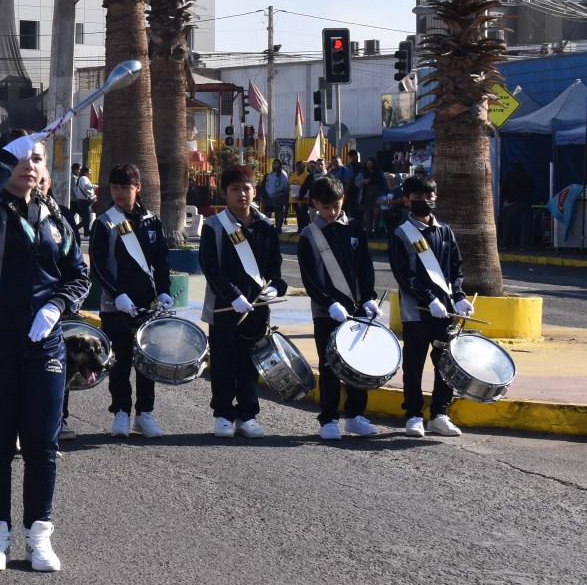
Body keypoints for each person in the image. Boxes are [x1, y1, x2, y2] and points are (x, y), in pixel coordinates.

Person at [0, 128, 89, 572]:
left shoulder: (55, 216)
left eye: (36, 158)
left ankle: (38, 537)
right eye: (19, 158)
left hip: (43, 346)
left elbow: (78, 275)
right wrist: (1, 158)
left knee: (41, 444)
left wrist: (57, 306)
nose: (28, 166)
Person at [199, 163, 285, 439]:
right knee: (223, 363)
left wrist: (276, 288)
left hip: (257, 309)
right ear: (224, 193)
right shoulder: (214, 226)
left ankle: (247, 415)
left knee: (250, 364)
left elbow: (275, 267)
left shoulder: (266, 226)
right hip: (225, 307)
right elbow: (210, 266)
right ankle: (223, 415)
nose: (242, 194)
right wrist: (233, 295)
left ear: (255, 191)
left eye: (246, 188)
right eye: (235, 189)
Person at [89, 162, 173, 438]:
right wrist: (116, 294)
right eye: (114, 187)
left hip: (147, 305)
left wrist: (164, 291)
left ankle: (144, 414)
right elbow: (97, 267)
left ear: (138, 187)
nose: (119, 192)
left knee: (147, 361)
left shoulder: (152, 221)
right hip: (117, 306)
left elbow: (161, 261)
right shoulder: (105, 222)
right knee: (120, 362)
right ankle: (121, 412)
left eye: (125, 187)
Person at [296, 174, 378, 441]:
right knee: (330, 365)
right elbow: (310, 278)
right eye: (326, 207)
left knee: (358, 364)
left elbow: (365, 265)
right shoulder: (309, 235)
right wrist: (328, 303)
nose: (332, 212)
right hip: (327, 312)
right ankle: (328, 419)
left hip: (356, 309)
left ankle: (355, 416)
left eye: (336, 205)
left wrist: (369, 297)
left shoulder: (355, 228)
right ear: (315, 203)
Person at [389, 172, 470, 438]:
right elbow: (404, 274)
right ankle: (413, 415)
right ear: (406, 200)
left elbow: (456, 268)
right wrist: (428, 299)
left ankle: (440, 415)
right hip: (417, 312)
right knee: (413, 365)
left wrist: (459, 296)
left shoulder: (444, 230)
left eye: (428, 196)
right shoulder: (402, 233)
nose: (424, 200)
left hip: (446, 311)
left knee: (446, 364)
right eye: (417, 196)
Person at [69, 163, 96, 237]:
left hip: (77, 200)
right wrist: (79, 197)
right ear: (75, 169)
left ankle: (83, 231)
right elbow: (75, 189)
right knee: (86, 218)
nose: (80, 170)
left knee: (84, 218)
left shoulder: (78, 177)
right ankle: (80, 231)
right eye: (79, 169)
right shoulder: (74, 178)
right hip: (75, 200)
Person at [262, 159, 290, 230]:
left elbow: (284, 185)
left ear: (280, 165)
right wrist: (269, 191)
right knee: (273, 212)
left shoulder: (282, 173)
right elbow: (267, 184)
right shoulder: (271, 174)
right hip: (271, 196)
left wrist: (276, 191)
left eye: (277, 163)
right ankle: (274, 227)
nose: (275, 165)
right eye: (274, 163)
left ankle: (278, 227)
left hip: (279, 196)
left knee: (279, 212)